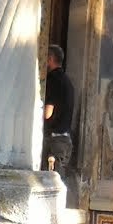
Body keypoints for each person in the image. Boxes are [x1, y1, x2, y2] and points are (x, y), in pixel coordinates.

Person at [42, 43, 75, 173]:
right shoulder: (67, 81)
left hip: (54, 142)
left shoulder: (52, 80)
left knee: (49, 185)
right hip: (65, 140)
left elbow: (47, 113)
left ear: (50, 58)